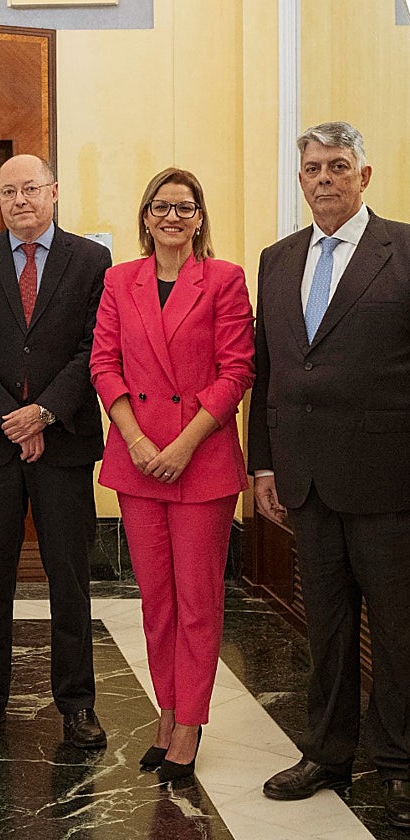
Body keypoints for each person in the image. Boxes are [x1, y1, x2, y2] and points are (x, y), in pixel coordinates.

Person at [249, 122, 410, 829]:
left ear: (364, 176)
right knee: (331, 630)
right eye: (312, 167)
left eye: (338, 166)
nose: (324, 178)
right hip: (305, 483)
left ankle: (401, 763)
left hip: (389, 482)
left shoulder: (403, 250)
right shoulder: (278, 259)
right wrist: (263, 463)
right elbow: (271, 369)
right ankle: (328, 753)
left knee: (401, 634)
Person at [90, 168, 254, 784]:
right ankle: (167, 711)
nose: (172, 217)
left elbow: (236, 371)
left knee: (197, 603)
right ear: (145, 216)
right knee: (156, 602)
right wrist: (135, 440)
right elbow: (104, 363)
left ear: (199, 217)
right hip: (137, 461)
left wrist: (182, 445)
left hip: (200, 461)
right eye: (161, 207)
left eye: (184, 207)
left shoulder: (225, 280)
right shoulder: (118, 280)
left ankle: (191, 722)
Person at [0, 154, 109, 748]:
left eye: (31, 188)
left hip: (63, 443)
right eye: (8, 191)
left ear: (55, 192)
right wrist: (12, 419)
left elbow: (95, 346)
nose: (20, 200)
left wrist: (43, 412)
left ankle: (77, 704)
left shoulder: (91, 260)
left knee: (69, 576)